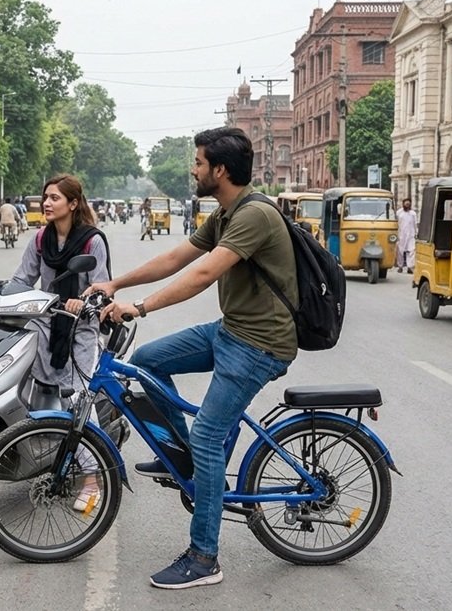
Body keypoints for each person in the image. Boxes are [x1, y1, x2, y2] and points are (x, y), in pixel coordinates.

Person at [87, 127, 296, 590]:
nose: (193, 169)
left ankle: (204, 558)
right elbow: (176, 257)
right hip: (230, 331)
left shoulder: (254, 215)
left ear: (219, 170)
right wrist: (115, 285)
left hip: (259, 344)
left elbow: (202, 274)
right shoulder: (224, 213)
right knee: (146, 359)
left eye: (199, 163)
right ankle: (182, 457)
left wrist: (139, 307)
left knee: (208, 434)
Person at [9, 175, 111, 510]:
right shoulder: (41, 239)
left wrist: (83, 301)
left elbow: (102, 288)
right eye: (45, 197)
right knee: (34, 393)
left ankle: (93, 480)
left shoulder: (91, 242)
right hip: (44, 325)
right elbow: (22, 280)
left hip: (80, 330)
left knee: (79, 402)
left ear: (72, 203)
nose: (47, 203)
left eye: (54, 198)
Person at [396, 198, 418, 273]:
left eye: (408, 204)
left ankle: (410, 267)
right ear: (403, 204)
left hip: (411, 235)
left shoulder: (413, 214)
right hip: (401, 235)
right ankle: (400, 266)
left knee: (411, 251)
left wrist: (416, 233)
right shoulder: (399, 213)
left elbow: (415, 224)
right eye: (406, 204)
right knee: (400, 251)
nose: (407, 205)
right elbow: (396, 224)